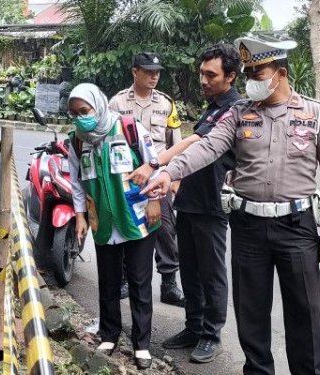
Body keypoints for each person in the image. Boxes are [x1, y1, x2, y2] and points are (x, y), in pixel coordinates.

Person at [143, 36, 320, 375]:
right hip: (248, 228)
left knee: (305, 313)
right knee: (251, 314)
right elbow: (207, 147)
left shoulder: (315, 115)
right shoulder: (239, 114)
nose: (252, 80)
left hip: (296, 227)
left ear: (280, 73)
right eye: (249, 73)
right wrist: (168, 172)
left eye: (259, 72)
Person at [132, 43, 241, 363]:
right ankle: (193, 327)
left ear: (231, 76)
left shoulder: (232, 108)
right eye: (201, 73)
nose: (203, 80)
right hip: (190, 200)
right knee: (190, 270)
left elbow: (195, 141)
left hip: (211, 203)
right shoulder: (213, 105)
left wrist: (154, 164)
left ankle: (211, 334)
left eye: (211, 74)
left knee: (212, 272)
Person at [68, 83, 162, 370]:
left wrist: (156, 201)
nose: (81, 117)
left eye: (85, 111)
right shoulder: (77, 140)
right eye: (75, 113)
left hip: (137, 217)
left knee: (138, 281)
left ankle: (141, 344)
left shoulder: (129, 128)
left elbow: (154, 164)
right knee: (108, 281)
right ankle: (109, 334)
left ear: (99, 105)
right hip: (103, 222)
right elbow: (76, 182)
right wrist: (81, 216)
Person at [109, 52, 185, 307]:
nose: (154, 76)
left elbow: (175, 141)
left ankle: (169, 284)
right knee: (126, 225)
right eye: (148, 71)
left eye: (157, 72)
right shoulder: (117, 103)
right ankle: (125, 280)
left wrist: (176, 177)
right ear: (135, 72)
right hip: (128, 178)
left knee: (165, 229)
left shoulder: (166, 103)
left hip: (159, 177)